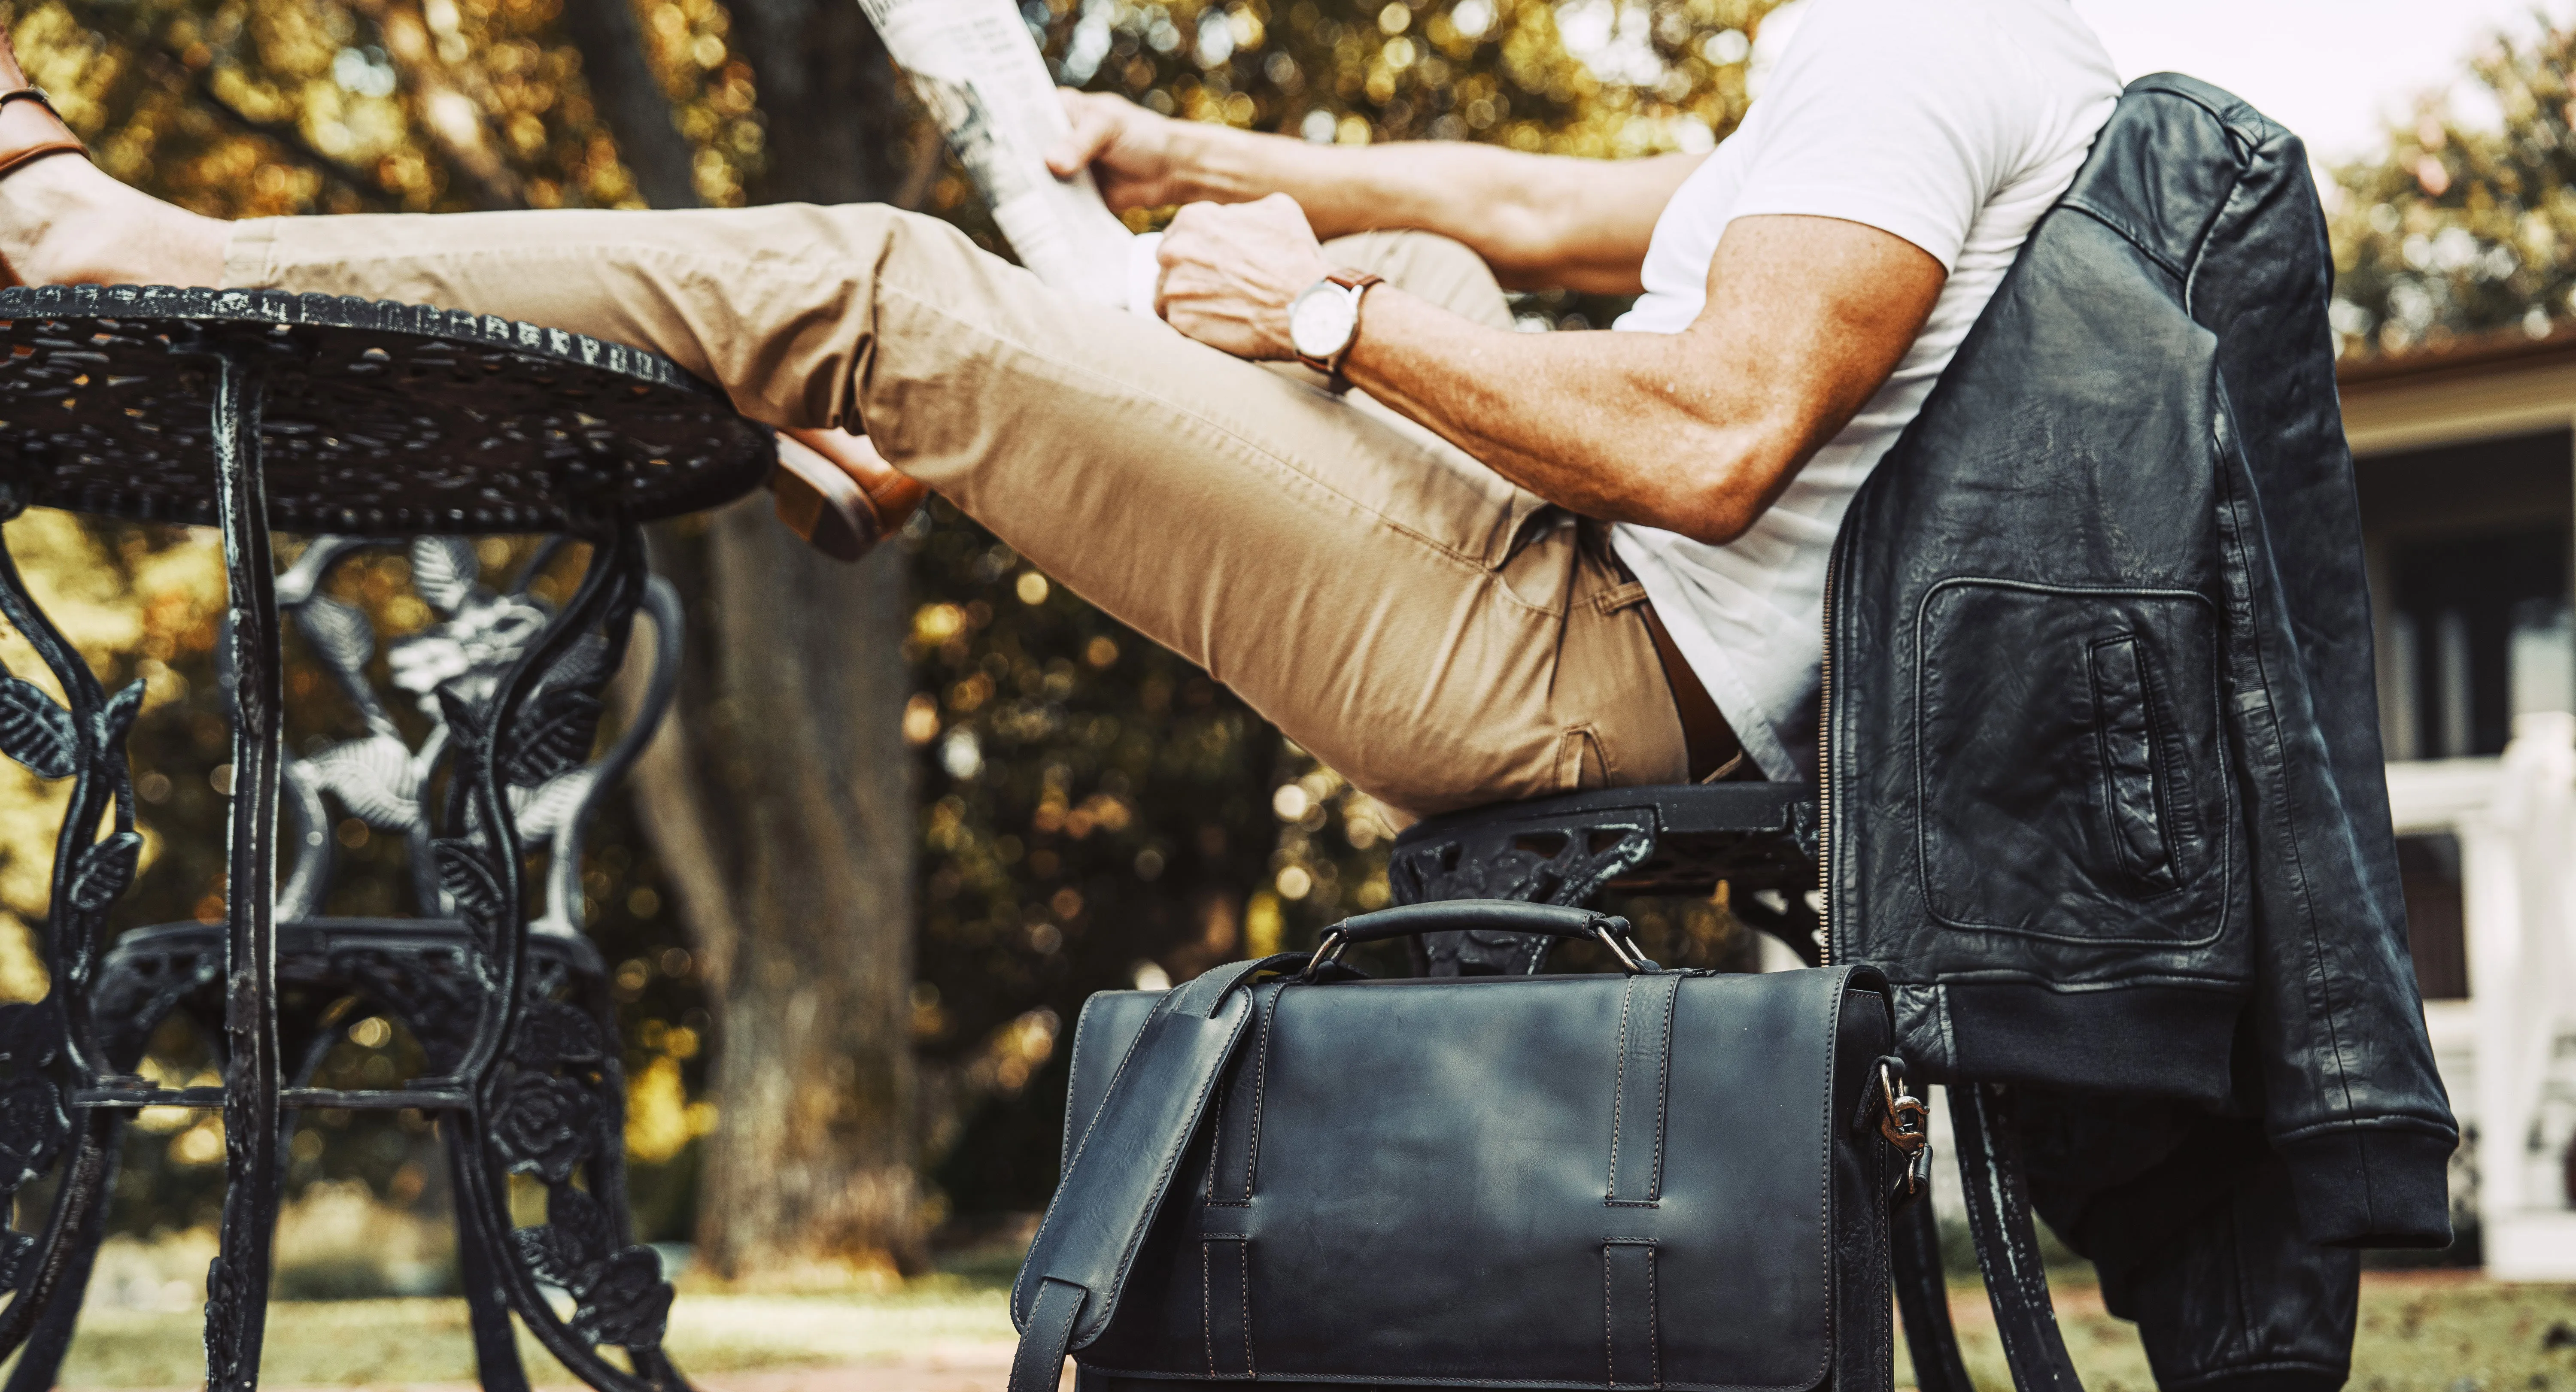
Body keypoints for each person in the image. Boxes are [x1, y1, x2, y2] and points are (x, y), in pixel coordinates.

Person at [0, 0, 2118, 816]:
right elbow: (1537, 200)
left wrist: (1318, 328)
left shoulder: (1905, 55)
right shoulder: (1937, 69)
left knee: (866, 272)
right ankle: (896, 413)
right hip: (1576, 597)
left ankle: (153, 258)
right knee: (1409, 258)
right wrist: (1181, 157)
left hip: (1575, 659)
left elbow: (1707, 444)